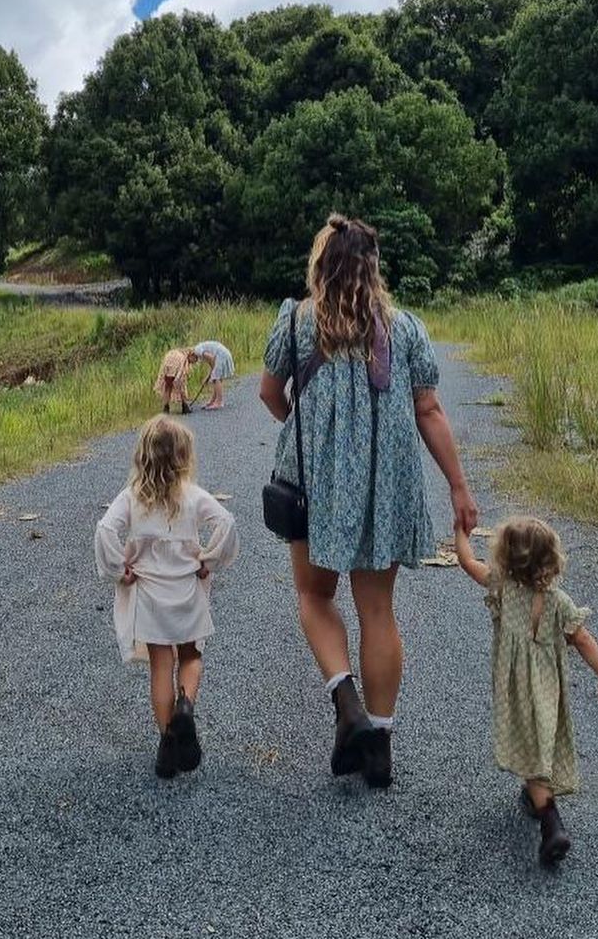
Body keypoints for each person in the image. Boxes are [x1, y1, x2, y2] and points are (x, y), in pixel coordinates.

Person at [259, 213, 477, 786]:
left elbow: (268, 394)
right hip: (386, 484)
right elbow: (428, 410)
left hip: (315, 485)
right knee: (378, 611)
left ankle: (346, 703)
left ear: (321, 267)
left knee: (313, 595)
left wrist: (301, 426)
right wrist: (458, 485)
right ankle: (378, 743)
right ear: (372, 269)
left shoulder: (297, 323)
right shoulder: (405, 331)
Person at [454, 516, 598, 866]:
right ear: (551, 559)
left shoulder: (502, 587)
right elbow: (583, 639)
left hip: (515, 692)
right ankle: (536, 796)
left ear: (505, 558)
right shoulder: (558, 602)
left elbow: (467, 562)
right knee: (542, 740)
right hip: (548, 689)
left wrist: (460, 534)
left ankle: (551, 821)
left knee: (529, 747)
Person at [94, 415, 239, 778]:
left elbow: (105, 530)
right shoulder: (192, 495)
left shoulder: (131, 498)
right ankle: (186, 707)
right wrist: (209, 559)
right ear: (183, 457)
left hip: (151, 598)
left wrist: (119, 570)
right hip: (186, 591)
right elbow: (227, 522)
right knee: (190, 656)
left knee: (161, 666)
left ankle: (166, 743)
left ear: (141, 457)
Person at [192, 340, 235, 410]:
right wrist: (208, 377)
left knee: (216, 378)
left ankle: (219, 402)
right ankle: (213, 401)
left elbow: (211, 358)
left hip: (221, 355)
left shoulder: (197, 350)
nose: (193, 362)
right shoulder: (199, 350)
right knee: (215, 377)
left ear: (191, 355)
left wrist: (212, 374)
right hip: (222, 354)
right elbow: (212, 365)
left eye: (191, 361)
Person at [153, 347, 197, 415]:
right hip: (175, 368)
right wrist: (177, 380)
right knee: (182, 386)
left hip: (167, 367)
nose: (194, 362)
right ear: (191, 356)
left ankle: (166, 407)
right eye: (195, 360)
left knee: (168, 387)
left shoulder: (174, 352)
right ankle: (184, 406)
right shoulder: (184, 359)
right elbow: (180, 374)